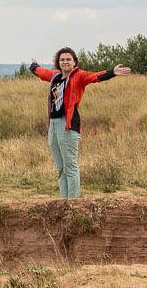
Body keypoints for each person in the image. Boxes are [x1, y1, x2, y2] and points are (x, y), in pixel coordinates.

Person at [28, 48, 130, 199]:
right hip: (53, 125)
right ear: (58, 63)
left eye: (68, 59)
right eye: (62, 59)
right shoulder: (55, 76)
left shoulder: (78, 76)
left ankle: (74, 203)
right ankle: (64, 202)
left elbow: (94, 77)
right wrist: (34, 66)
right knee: (61, 168)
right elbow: (42, 73)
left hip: (68, 125)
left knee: (70, 166)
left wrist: (112, 72)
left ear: (74, 61)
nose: (65, 62)